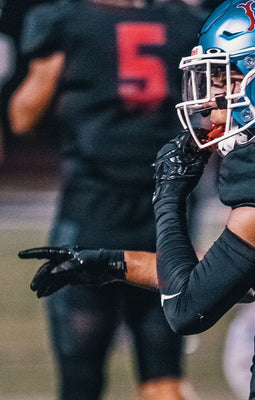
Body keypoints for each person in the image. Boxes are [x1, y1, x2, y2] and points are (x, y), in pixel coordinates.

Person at [19, 0, 255, 398]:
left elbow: (188, 307)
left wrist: (169, 193)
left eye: (227, 78)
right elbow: (251, 280)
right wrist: (114, 263)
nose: (210, 97)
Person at [10, 0, 203, 399]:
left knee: (80, 379)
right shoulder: (185, 23)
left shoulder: (65, 21)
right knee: (163, 375)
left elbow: (23, 118)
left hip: (91, 212)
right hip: (166, 214)